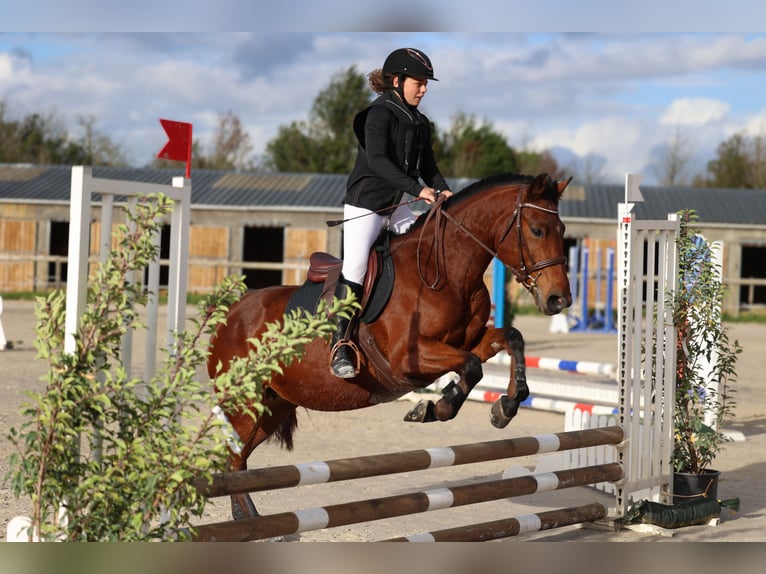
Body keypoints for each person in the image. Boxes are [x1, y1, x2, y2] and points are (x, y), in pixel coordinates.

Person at [330, 47, 454, 379]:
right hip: (365, 205)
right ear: (397, 81)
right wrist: (419, 191)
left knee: (424, 253)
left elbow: (429, 166)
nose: (424, 89)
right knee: (355, 267)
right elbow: (378, 162)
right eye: (419, 82)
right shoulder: (378, 114)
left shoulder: (420, 122)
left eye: (426, 83)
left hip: (397, 205)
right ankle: (339, 343)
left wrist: (444, 189)